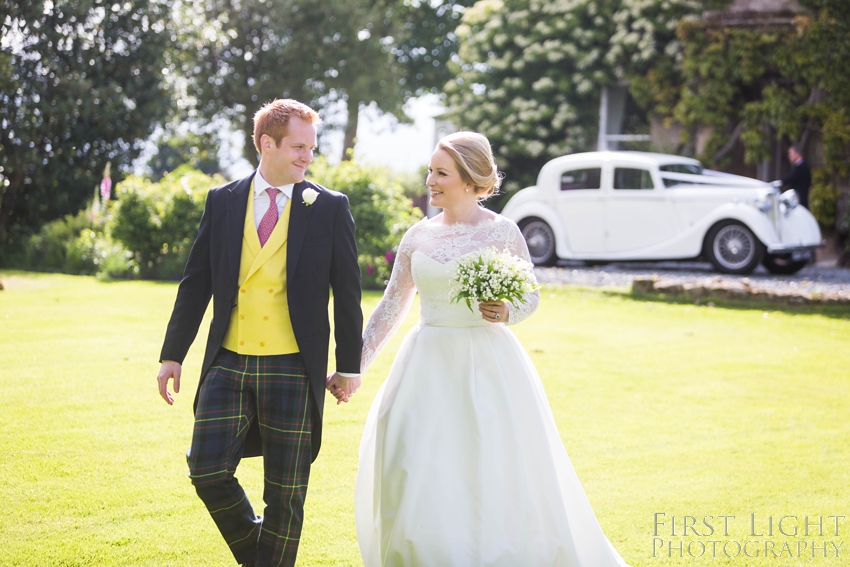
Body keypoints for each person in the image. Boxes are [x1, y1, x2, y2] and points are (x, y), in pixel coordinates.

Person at [330, 131, 631, 566]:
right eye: (430, 171)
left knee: (490, 466)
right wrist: (352, 368)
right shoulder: (418, 235)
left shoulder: (503, 232)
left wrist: (507, 310)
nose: (430, 181)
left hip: (488, 366)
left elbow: (530, 296)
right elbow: (392, 307)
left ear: (471, 181)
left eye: (441, 173)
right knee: (416, 465)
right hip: (426, 364)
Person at [156, 98, 363, 567]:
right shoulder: (223, 201)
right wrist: (173, 354)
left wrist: (350, 366)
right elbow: (197, 282)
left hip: (293, 365)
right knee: (206, 472)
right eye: (297, 147)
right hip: (228, 362)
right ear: (266, 144)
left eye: (311, 148)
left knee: (285, 495)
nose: (307, 158)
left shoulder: (329, 207)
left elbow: (347, 293)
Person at [782, 144, 811, 208]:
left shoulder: (801, 166)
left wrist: (780, 182)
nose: (789, 156)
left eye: (791, 153)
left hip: (799, 199)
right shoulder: (800, 165)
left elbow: (789, 178)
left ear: (798, 153)